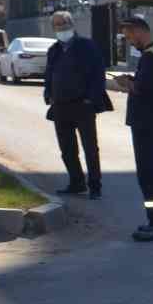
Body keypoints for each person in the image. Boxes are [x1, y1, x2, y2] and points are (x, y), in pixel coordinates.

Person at [115, 14, 153, 242]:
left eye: (129, 35)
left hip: (147, 124)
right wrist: (136, 80)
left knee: (149, 175)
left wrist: (127, 83)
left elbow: (144, 88)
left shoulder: (150, 57)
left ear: (140, 30)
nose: (129, 40)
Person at [43, 10, 113, 199]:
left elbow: (98, 74)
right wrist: (48, 94)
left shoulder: (86, 46)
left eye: (64, 24)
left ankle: (95, 186)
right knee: (67, 149)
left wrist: (91, 99)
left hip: (83, 105)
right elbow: (49, 75)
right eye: (57, 25)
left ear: (71, 25)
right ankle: (76, 182)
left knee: (90, 148)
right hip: (60, 106)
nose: (61, 28)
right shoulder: (54, 50)